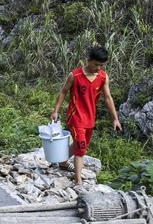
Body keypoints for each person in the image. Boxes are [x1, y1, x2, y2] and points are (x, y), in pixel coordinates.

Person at [50, 46, 122, 185]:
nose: (98, 68)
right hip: (75, 117)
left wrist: (115, 119)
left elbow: (108, 98)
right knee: (81, 148)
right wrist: (56, 111)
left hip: (90, 118)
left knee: (78, 144)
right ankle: (78, 182)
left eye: (101, 65)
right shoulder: (75, 75)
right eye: (96, 64)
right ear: (88, 60)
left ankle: (62, 162)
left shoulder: (103, 77)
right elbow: (63, 92)